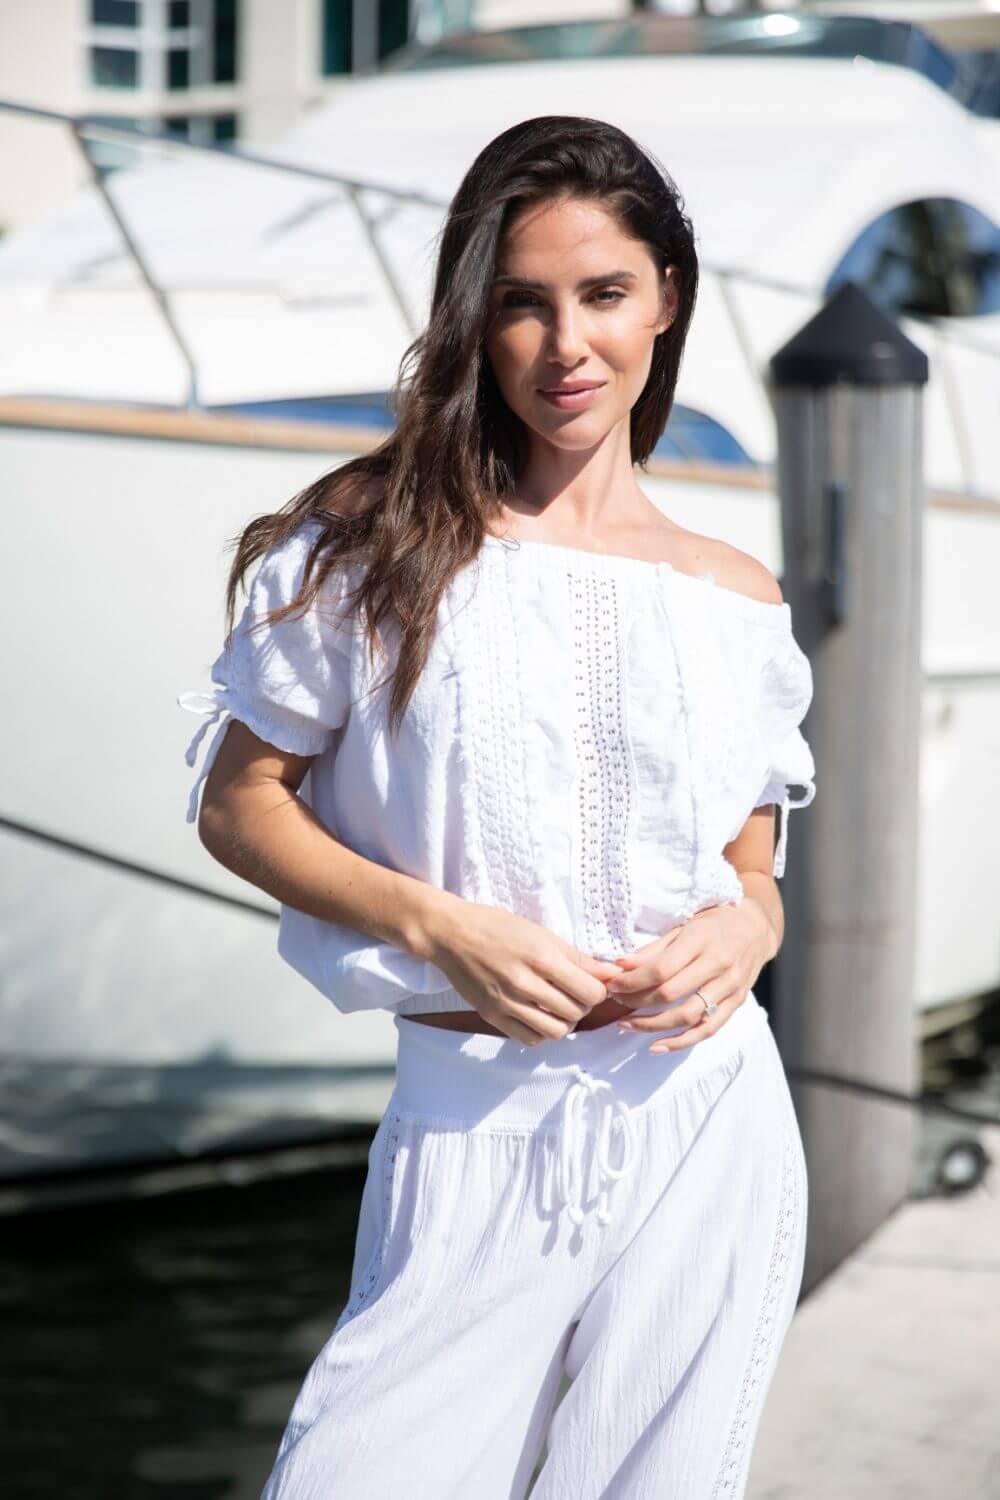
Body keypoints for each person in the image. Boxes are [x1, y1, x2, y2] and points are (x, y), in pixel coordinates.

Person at [178, 115, 817, 1500]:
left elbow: (748, 872)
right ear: (474, 318)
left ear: (667, 303)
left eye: (603, 295)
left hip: (703, 1116)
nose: (564, 345)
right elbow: (240, 808)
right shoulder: (376, 541)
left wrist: (752, 932)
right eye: (521, 303)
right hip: (471, 1125)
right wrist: (437, 924)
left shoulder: (737, 598)